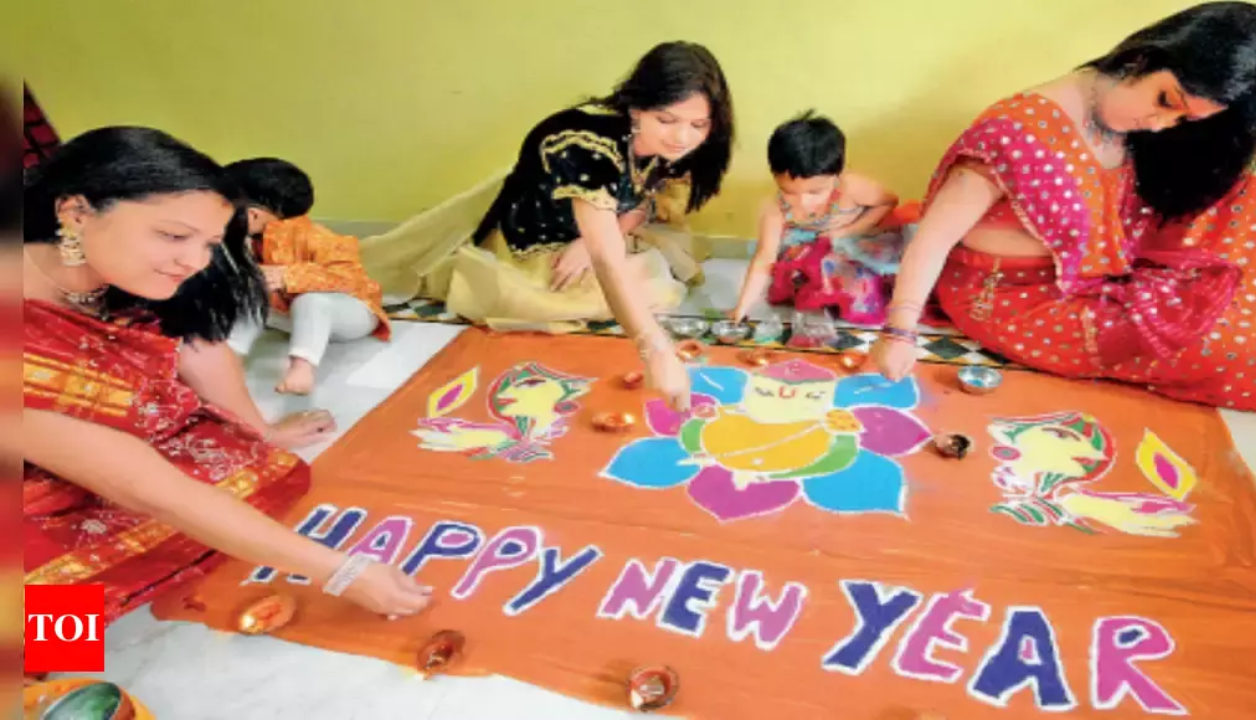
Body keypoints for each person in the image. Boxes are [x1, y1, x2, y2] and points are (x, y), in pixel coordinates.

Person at [22, 127, 432, 625]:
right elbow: (145, 488)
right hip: (33, 489)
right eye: (173, 236)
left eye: (210, 243)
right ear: (76, 214)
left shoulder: (120, 270)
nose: (193, 261)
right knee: (47, 619)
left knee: (259, 468)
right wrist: (341, 571)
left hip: (111, 453)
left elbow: (200, 342)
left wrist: (260, 430)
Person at [873, 2, 1256, 415]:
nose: (1160, 123)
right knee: (1229, 346)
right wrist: (898, 334)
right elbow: (932, 237)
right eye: (1165, 100)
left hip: (1101, 263)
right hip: (1013, 302)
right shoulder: (1016, 133)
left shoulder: (1124, 111)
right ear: (1144, 58)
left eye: (1182, 119)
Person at [363, 41, 735, 412]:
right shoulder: (586, 144)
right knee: (631, 281)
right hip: (537, 232)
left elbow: (643, 200)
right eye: (667, 120)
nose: (682, 137)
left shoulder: (671, 146)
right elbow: (607, 259)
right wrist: (654, 350)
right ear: (637, 108)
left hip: (595, 225)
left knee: (663, 260)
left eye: (698, 124)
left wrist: (598, 239)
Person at [225, 158, 391, 395]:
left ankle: (302, 368)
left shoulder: (318, 237)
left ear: (252, 215)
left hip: (349, 314)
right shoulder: (239, 242)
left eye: (226, 209)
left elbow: (350, 278)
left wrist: (289, 276)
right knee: (249, 293)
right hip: (290, 318)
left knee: (312, 299)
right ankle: (229, 359)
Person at [731, 111, 899, 326]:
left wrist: (849, 230)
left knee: (860, 281)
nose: (802, 202)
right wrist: (741, 307)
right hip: (807, 248)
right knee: (799, 276)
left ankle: (839, 294)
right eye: (788, 191)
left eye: (815, 192)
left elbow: (889, 202)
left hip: (852, 242)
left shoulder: (853, 186)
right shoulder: (774, 208)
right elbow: (764, 258)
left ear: (837, 176)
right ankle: (822, 293)